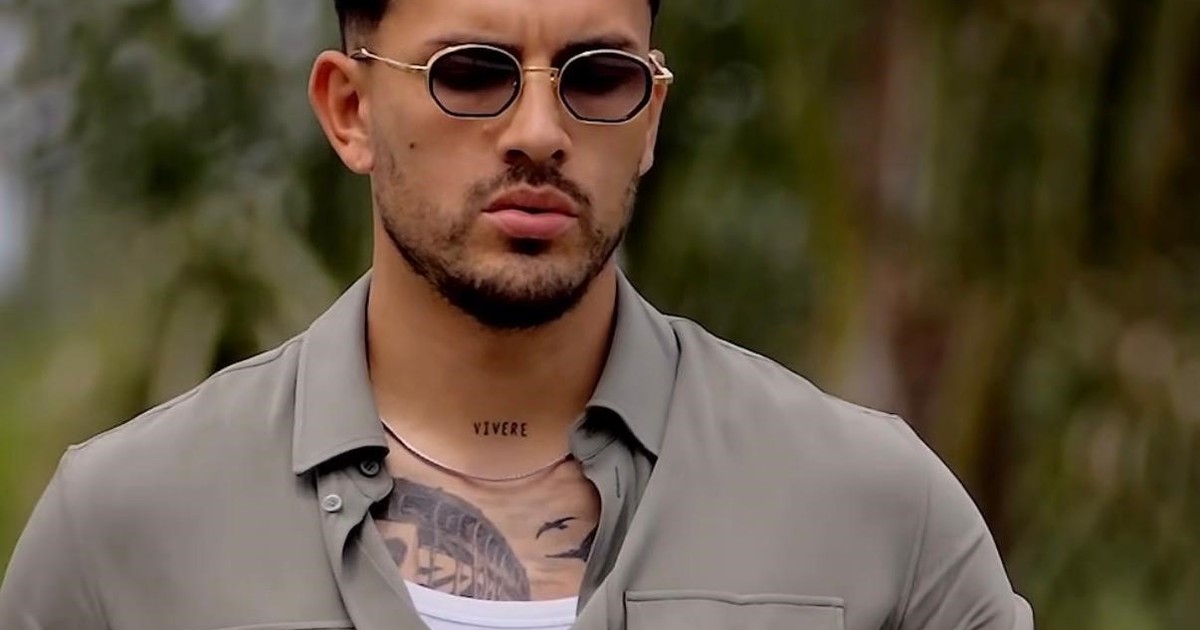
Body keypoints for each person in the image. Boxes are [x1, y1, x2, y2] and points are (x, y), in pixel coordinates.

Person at [0, 0, 1034, 628]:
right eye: (472, 72)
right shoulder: (127, 524)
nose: (539, 130)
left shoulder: (873, 510)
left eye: (599, 77)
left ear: (651, 119)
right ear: (350, 111)